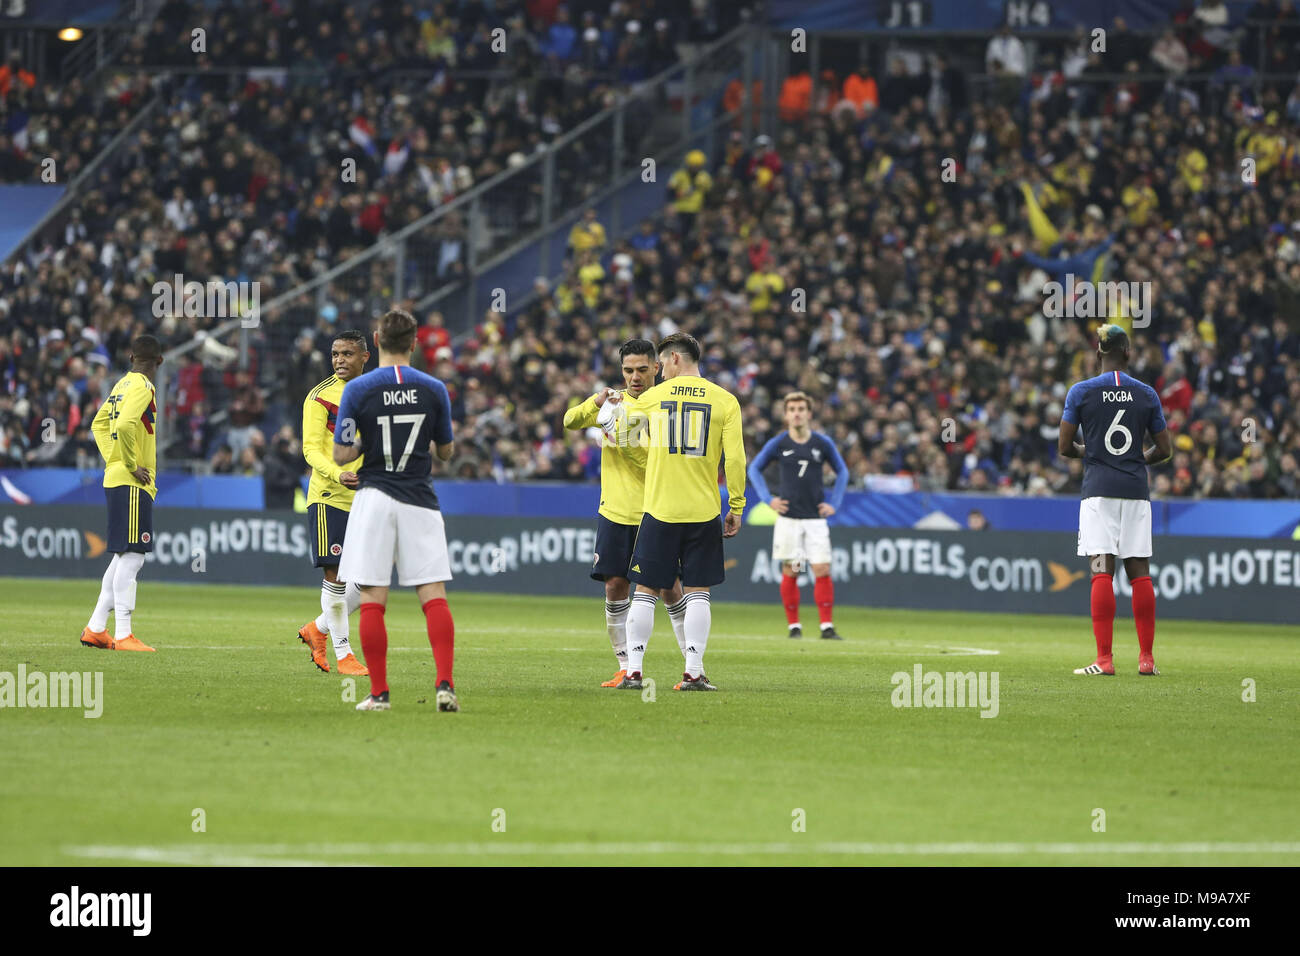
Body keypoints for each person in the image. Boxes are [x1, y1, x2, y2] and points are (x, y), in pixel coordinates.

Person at [333, 309, 458, 712]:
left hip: (375, 496)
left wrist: (364, 441)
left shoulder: (357, 390)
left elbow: (341, 454)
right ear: (415, 342)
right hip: (420, 497)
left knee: (372, 596)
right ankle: (445, 685)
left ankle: (380, 694)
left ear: (376, 339)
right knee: (433, 594)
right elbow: (447, 452)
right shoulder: (435, 388)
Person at [608, 331, 746, 691]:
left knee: (645, 591)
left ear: (673, 359)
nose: (659, 371)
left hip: (659, 509)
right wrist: (736, 505)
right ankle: (694, 672)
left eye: (661, 364)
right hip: (703, 511)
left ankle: (635, 671)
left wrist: (642, 456)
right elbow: (735, 459)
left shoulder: (653, 397)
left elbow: (622, 433)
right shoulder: (725, 400)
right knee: (698, 591)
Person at [562, 338, 687, 686]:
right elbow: (570, 421)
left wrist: (619, 436)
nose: (634, 377)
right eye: (628, 370)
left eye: (642, 370)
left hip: (654, 511)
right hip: (614, 512)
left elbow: (654, 466)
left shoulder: (664, 408)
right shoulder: (614, 402)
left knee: (669, 588)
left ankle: (692, 664)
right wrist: (597, 402)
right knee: (615, 585)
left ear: (656, 369)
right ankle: (625, 666)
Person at [1059, 324, 1171, 677]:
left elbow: (1063, 447)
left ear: (1098, 354)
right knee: (1140, 574)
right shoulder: (1147, 394)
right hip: (1135, 492)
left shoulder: (1081, 392)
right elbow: (1164, 449)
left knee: (1100, 571)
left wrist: (1091, 453)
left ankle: (1104, 660)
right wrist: (1138, 461)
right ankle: (1147, 659)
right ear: (1127, 352)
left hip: (1098, 491)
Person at [80, 335, 164, 653]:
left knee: (122, 555)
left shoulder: (120, 385)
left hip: (116, 478)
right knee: (133, 556)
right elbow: (128, 425)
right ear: (160, 361)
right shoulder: (143, 386)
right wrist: (129, 463)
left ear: (131, 357)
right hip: (132, 482)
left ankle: (96, 628)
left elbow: (98, 424)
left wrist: (114, 459)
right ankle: (125, 634)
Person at [295, 330, 370, 677]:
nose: (340, 360)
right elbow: (309, 449)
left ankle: (317, 629)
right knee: (336, 574)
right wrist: (337, 474)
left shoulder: (374, 394)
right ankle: (344, 655)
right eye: (335, 354)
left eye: (348, 354)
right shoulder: (320, 397)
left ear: (364, 357)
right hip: (329, 496)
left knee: (370, 579)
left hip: (365, 499)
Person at [747, 391, 849, 639]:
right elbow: (754, 469)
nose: (796, 413)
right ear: (786, 414)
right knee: (792, 569)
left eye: (801, 409)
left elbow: (842, 472)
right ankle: (794, 626)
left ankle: (826, 626)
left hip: (815, 518)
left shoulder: (822, 443)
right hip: (789, 518)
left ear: (809, 413)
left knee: (822, 568)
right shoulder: (779, 443)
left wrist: (834, 502)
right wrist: (767, 499)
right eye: (792, 409)